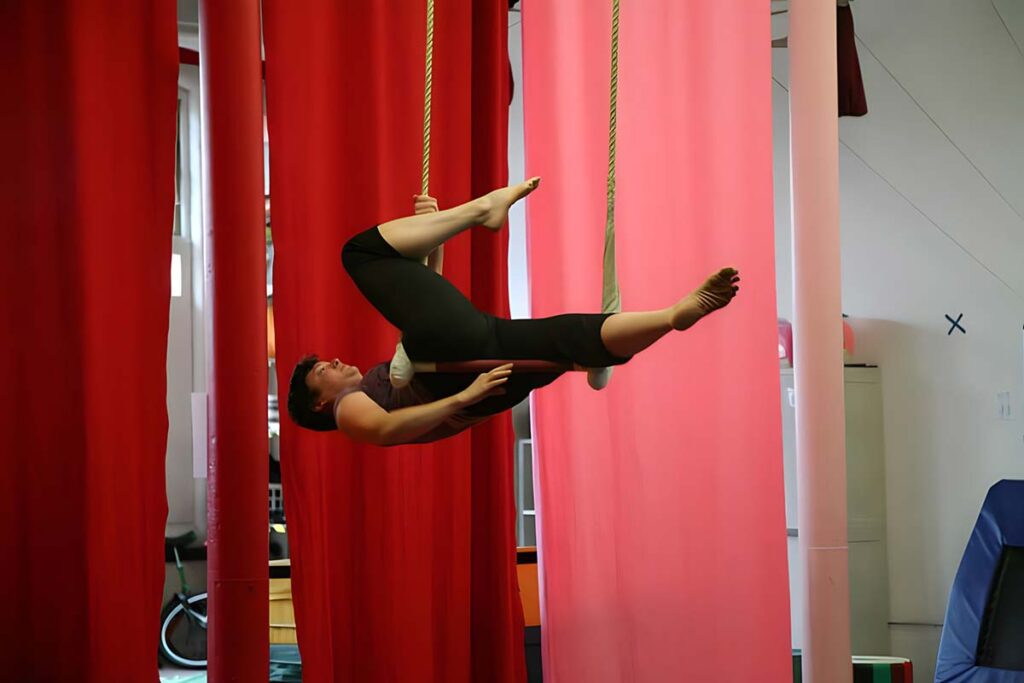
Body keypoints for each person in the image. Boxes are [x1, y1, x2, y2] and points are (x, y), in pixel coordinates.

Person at [287, 178, 740, 445]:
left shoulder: (373, 385)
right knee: (360, 253)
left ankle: (671, 315)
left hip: (487, 367)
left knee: (575, 336)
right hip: (464, 378)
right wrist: (464, 397)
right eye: (322, 371)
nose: (334, 362)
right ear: (321, 402)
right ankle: (481, 210)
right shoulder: (347, 411)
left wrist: (431, 234)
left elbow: (429, 301)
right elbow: (388, 430)